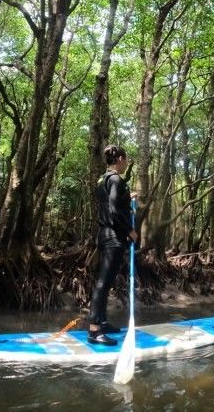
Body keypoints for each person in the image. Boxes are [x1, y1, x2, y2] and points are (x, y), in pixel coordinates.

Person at [87, 144, 139, 346]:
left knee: (106, 282)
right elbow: (114, 211)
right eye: (125, 160)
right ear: (119, 160)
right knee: (103, 283)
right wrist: (130, 231)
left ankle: (103, 322)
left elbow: (112, 204)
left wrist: (127, 197)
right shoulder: (116, 179)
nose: (126, 164)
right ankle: (94, 331)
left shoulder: (104, 179)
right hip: (113, 237)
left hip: (104, 235)